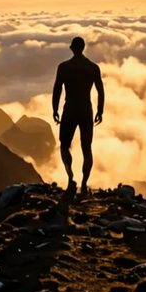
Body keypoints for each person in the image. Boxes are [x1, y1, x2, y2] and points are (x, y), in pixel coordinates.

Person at [52, 36, 105, 195]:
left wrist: (55, 109)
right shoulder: (93, 68)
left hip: (70, 108)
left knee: (64, 145)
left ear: (72, 48)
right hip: (86, 109)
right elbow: (100, 91)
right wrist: (99, 111)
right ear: (83, 48)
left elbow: (57, 90)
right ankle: (83, 183)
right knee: (86, 147)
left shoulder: (64, 67)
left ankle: (70, 178)